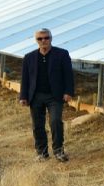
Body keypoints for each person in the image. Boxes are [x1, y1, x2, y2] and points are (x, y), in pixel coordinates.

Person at [19, 28, 75, 162]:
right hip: (36, 96)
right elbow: (25, 78)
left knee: (55, 121)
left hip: (55, 96)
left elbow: (68, 75)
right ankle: (42, 152)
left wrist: (68, 92)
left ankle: (58, 151)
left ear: (51, 38)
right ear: (36, 41)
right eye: (40, 38)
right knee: (37, 125)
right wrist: (23, 96)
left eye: (46, 38)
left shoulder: (62, 54)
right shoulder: (29, 57)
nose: (43, 41)